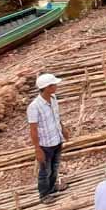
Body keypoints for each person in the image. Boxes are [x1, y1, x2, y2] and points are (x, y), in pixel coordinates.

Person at [27, 73, 69, 201]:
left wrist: (63, 128)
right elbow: (33, 129)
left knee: (55, 166)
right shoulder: (34, 107)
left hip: (56, 139)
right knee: (45, 170)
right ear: (47, 87)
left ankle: (52, 187)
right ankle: (44, 194)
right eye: (54, 85)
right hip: (45, 144)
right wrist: (37, 149)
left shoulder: (53, 98)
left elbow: (57, 117)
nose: (56, 86)